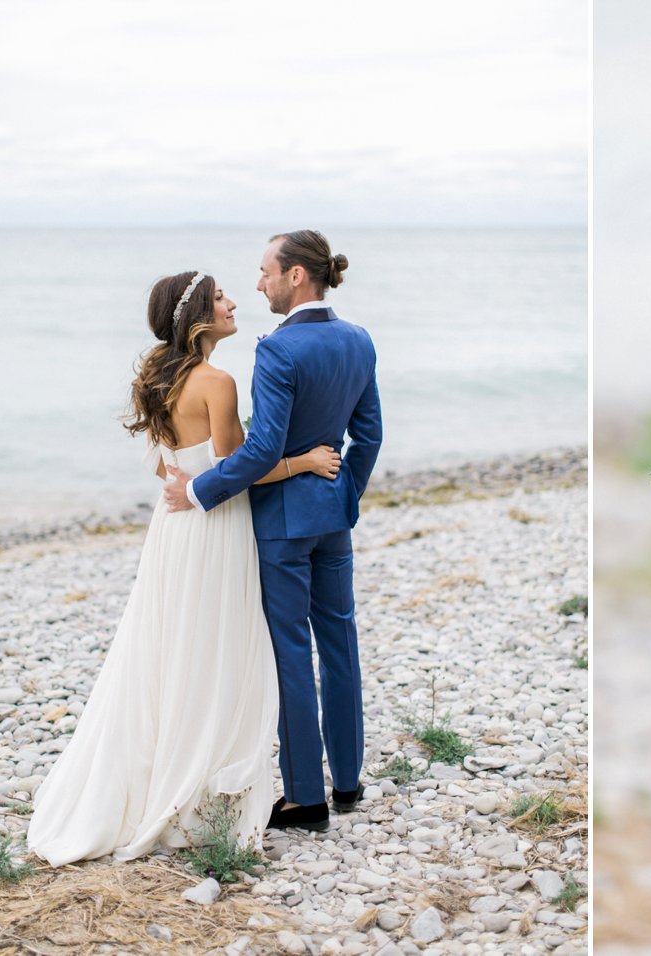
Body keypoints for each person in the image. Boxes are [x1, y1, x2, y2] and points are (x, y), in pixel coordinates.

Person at [27, 272, 341, 866]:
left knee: (169, 647)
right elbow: (244, 469)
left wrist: (189, 481)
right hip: (216, 528)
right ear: (197, 313)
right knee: (216, 650)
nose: (232, 302)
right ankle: (197, 789)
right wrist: (303, 461)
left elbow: (164, 468)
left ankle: (163, 774)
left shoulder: (156, 377)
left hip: (171, 528)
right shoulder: (216, 382)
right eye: (220, 297)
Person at [162, 231, 382, 833]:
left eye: (265, 272)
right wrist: (345, 495)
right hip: (332, 515)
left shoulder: (279, 350)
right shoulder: (358, 339)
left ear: (296, 276)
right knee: (340, 643)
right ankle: (348, 782)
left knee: (290, 650)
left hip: (283, 523)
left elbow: (261, 450)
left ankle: (306, 798)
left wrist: (199, 490)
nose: (258, 285)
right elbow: (369, 436)